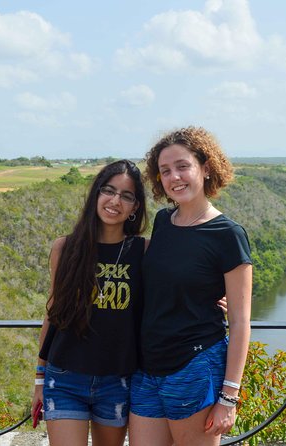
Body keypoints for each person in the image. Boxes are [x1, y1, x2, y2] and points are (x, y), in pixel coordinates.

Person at [129, 126, 253, 446]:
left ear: (206, 167)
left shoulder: (227, 234)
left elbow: (240, 322)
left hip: (194, 365)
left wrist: (229, 397)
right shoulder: (162, 222)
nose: (174, 177)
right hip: (148, 365)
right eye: (165, 171)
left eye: (183, 166)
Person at [31, 159, 148, 446]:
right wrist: (38, 378)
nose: (115, 200)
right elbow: (53, 312)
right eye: (108, 190)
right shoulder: (66, 247)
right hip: (65, 376)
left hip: (117, 380)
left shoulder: (143, 251)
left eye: (126, 195)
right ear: (96, 194)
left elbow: (178, 286)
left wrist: (214, 298)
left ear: (135, 207)